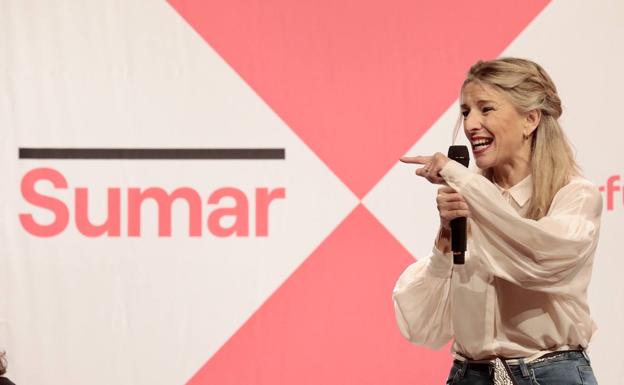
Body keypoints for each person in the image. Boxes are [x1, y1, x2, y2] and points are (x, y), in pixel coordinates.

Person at [395, 58, 601, 385]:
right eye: (465, 112)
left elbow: (539, 259)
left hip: (549, 374)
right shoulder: (469, 197)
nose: (471, 124)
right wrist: (446, 239)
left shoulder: (575, 196)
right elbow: (422, 327)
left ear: (530, 119)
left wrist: (459, 178)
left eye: (486, 109)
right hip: (469, 375)